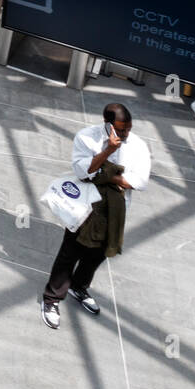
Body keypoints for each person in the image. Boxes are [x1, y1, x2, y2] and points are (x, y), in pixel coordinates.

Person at [41, 103, 152, 330]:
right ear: (108, 125)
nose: (125, 134)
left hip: (116, 208)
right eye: (120, 130)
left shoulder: (138, 146)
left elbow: (140, 181)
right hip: (86, 206)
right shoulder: (86, 138)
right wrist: (108, 152)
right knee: (70, 252)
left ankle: (79, 286)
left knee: (99, 253)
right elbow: (83, 172)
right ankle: (51, 299)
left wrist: (104, 175)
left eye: (128, 129)